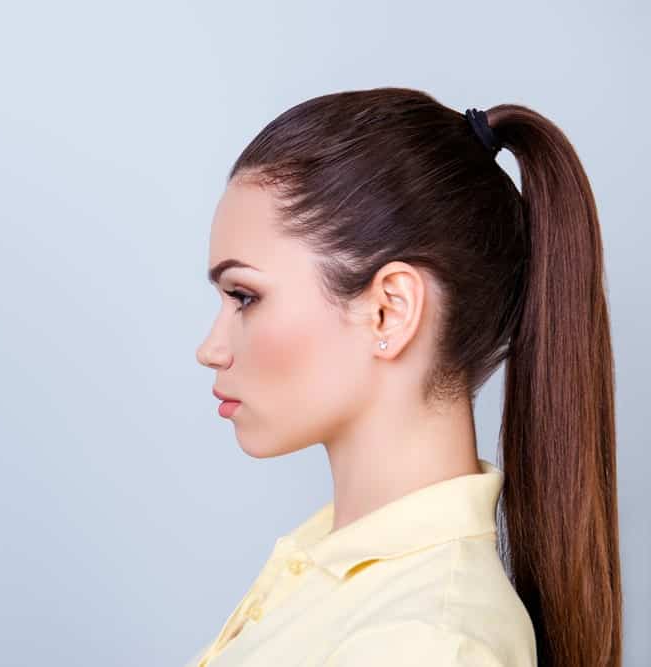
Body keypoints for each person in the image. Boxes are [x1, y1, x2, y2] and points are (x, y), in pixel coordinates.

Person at [190, 87, 620, 667]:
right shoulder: (329, 571)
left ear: (390, 310)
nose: (211, 349)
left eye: (244, 297)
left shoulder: (426, 642)